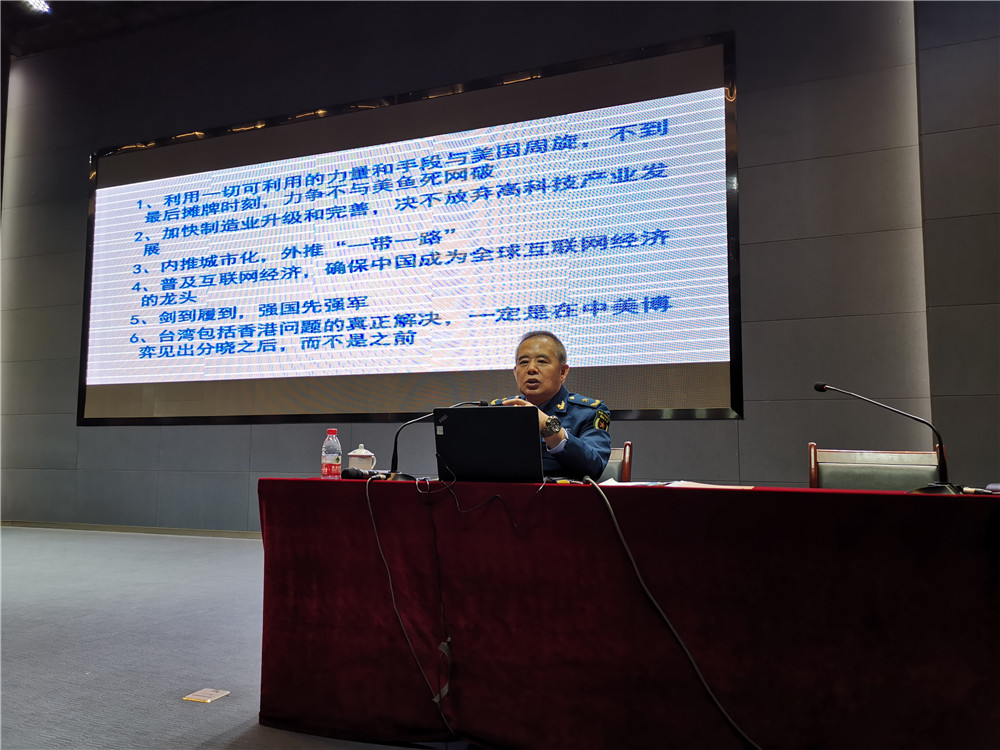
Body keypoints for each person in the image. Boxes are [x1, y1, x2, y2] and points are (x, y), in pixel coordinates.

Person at [490, 330, 611, 480]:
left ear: (562, 372)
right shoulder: (499, 411)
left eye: (541, 361)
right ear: (515, 373)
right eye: (524, 362)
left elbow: (594, 467)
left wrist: (549, 428)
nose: (531, 369)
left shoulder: (588, 412)